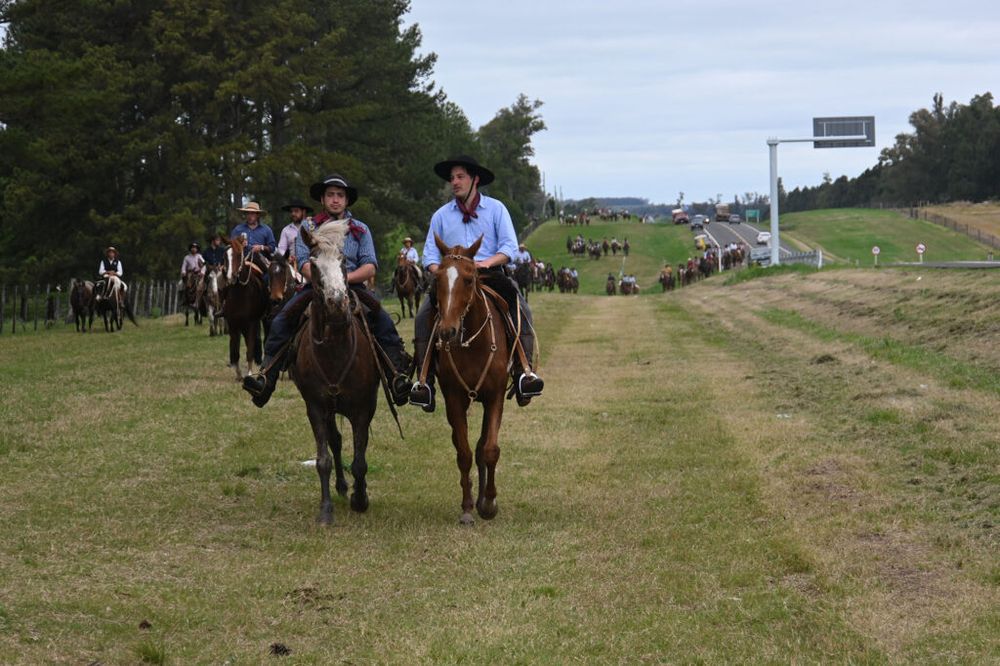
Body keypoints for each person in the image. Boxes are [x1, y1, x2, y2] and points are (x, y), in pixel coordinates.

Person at [241, 174, 411, 408]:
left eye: (340, 195)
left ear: (347, 200)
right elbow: (303, 262)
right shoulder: (308, 227)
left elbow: (370, 266)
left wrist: (343, 279)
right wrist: (325, 281)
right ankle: (266, 378)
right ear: (322, 199)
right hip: (317, 286)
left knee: (382, 319)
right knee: (281, 320)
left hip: (352, 285)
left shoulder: (360, 229)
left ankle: (396, 376)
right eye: (330, 195)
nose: (335, 199)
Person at [409, 155, 543, 412]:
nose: (454, 182)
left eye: (460, 177)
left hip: (489, 273)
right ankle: (425, 381)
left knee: (522, 308)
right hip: (452, 279)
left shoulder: (496, 209)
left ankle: (523, 372)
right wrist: (444, 272)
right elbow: (429, 256)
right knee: (423, 315)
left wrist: (485, 263)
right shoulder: (441, 215)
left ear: (475, 180)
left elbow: (509, 247)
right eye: (452, 178)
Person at [277, 199, 313, 263]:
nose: (293, 214)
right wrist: (287, 257)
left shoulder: (311, 227)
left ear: (304, 212)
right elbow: (281, 250)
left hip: (310, 263)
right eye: (291, 211)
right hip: (293, 264)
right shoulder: (286, 230)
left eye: (296, 211)